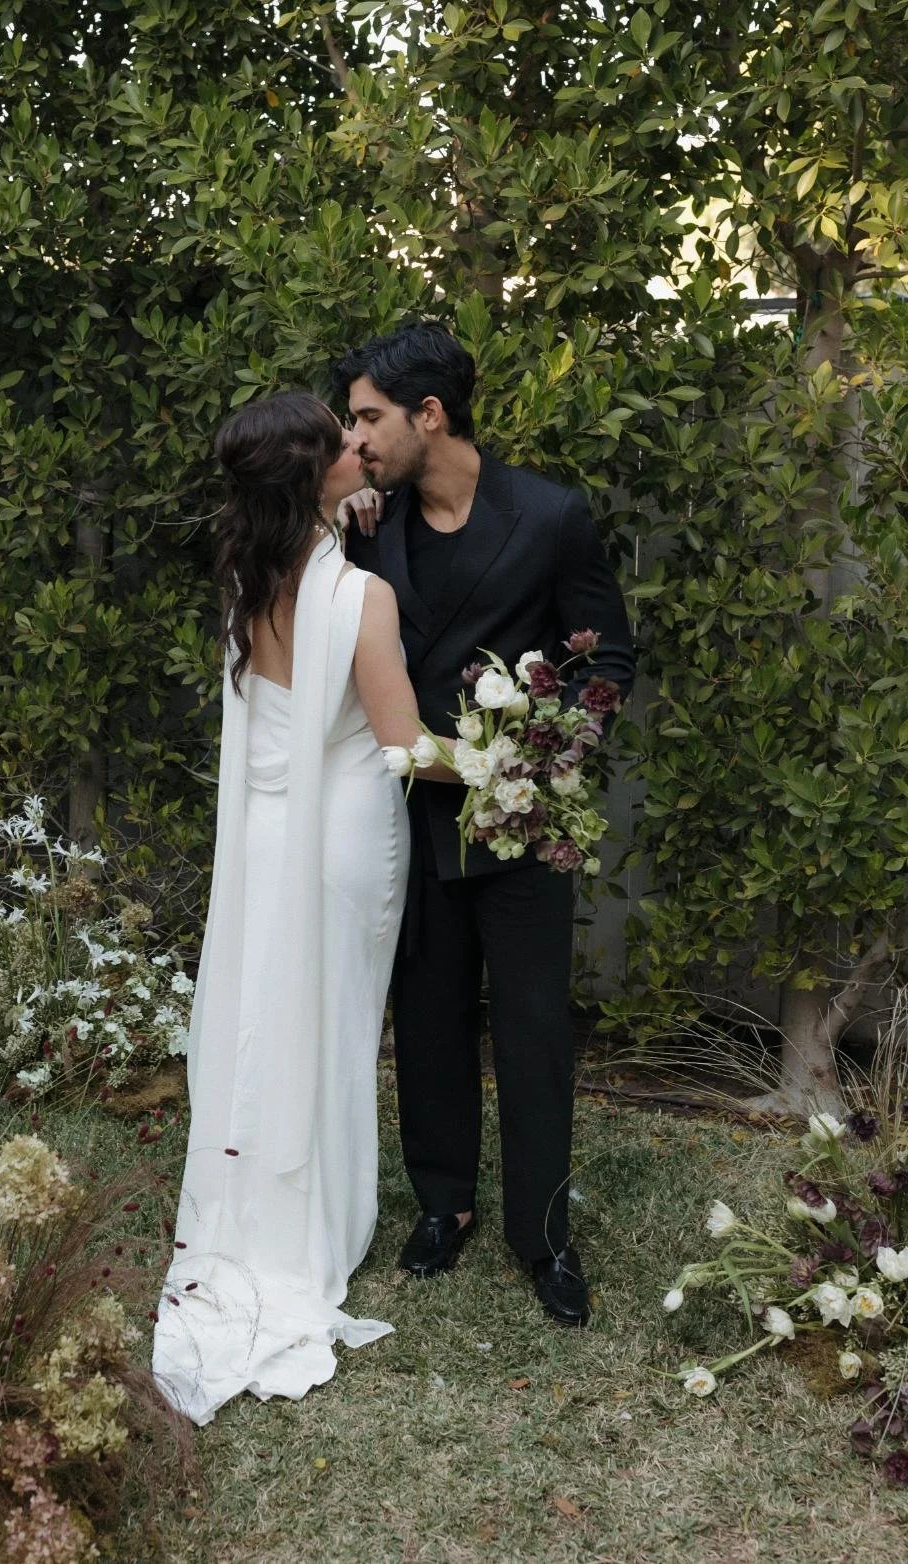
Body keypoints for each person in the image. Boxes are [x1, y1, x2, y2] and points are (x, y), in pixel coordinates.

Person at [152, 391, 459, 1425]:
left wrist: (346, 518)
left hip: (269, 828)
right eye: (339, 441)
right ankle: (318, 1221)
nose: (357, 444)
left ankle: (259, 1198)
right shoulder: (361, 600)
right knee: (330, 1025)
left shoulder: (247, 573)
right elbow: (405, 743)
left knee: (268, 1015)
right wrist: (513, 762)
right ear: (312, 474)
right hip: (342, 836)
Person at [335, 321, 636, 1326]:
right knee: (424, 1017)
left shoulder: (550, 515)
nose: (357, 436)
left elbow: (607, 662)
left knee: (536, 1028)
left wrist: (548, 758)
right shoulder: (370, 524)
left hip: (519, 827)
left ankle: (543, 1236)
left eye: (371, 417)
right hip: (410, 810)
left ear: (431, 414)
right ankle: (443, 1202)